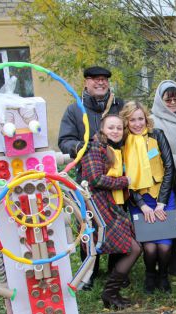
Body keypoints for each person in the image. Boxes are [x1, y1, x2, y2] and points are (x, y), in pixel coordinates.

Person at [58, 66, 125, 289]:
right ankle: (89, 273)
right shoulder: (75, 110)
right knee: (88, 225)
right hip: (88, 179)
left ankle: (117, 271)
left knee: (118, 223)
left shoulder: (119, 105)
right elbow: (65, 141)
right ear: (86, 82)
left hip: (117, 175)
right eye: (95, 79)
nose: (100, 83)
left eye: (104, 80)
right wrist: (84, 147)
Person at [80, 114, 141, 309]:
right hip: (99, 209)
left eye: (119, 128)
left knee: (132, 247)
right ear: (102, 129)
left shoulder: (112, 149)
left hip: (109, 206)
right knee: (133, 248)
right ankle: (109, 292)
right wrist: (124, 181)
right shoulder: (94, 148)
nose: (115, 131)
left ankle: (111, 292)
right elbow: (95, 179)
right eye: (111, 127)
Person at [121, 101, 175, 293]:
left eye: (140, 118)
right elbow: (124, 177)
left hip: (162, 195)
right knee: (151, 249)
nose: (137, 123)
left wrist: (161, 202)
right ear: (127, 122)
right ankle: (150, 274)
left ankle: (164, 276)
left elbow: (169, 167)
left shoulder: (157, 135)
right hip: (139, 200)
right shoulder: (123, 143)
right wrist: (142, 205)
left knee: (165, 247)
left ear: (146, 118)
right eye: (132, 120)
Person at [151, 80, 176, 275]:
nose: (174, 103)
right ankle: (170, 260)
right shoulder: (153, 121)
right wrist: (174, 161)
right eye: (169, 100)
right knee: (170, 217)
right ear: (161, 101)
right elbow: (151, 151)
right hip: (165, 175)